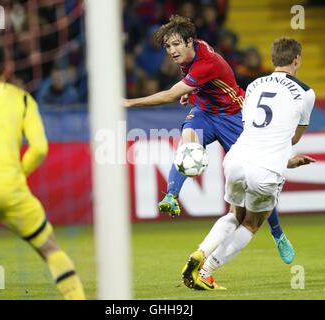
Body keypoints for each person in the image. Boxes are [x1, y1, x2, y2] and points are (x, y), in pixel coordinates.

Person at [124, 15, 294, 264]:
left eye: (176, 45)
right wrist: (192, 91)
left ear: (190, 41)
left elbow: (171, 94)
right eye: (168, 47)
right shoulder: (192, 52)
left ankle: (278, 235)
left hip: (233, 116)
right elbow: (195, 83)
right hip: (205, 111)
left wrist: (129, 102)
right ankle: (171, 196)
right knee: (187, 144)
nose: (172, 51)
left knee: (256, 180)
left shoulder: (207, 62)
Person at [0, 47, 85, 300]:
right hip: (10, 187)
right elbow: (40, 148)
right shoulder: (21, 99)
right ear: (7, 70)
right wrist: (18, 173)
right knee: (50, 249)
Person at [181, 37, 316, 290]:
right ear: (296, 60)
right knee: (252, 223)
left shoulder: (253, 85)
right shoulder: (306, 93)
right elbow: (293, 137)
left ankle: (200, 252)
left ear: (273, 59)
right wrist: (286, 158)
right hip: (265, 170)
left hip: (237, 159)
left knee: (233, 213)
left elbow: (251, 129)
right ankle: (207, 270)